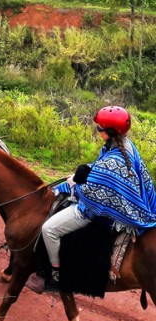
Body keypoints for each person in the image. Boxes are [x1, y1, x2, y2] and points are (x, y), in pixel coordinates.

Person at [27, 106, 156, 294]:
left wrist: (75, 183)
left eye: (100, 129)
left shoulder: (114, 160)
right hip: (137, 205)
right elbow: (102, 172)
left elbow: (92, 195)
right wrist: (87, 171)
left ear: (110, 132)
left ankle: (55, 274)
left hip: (93, 212)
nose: (98, 131)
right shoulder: (125, 146)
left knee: (49, 230)